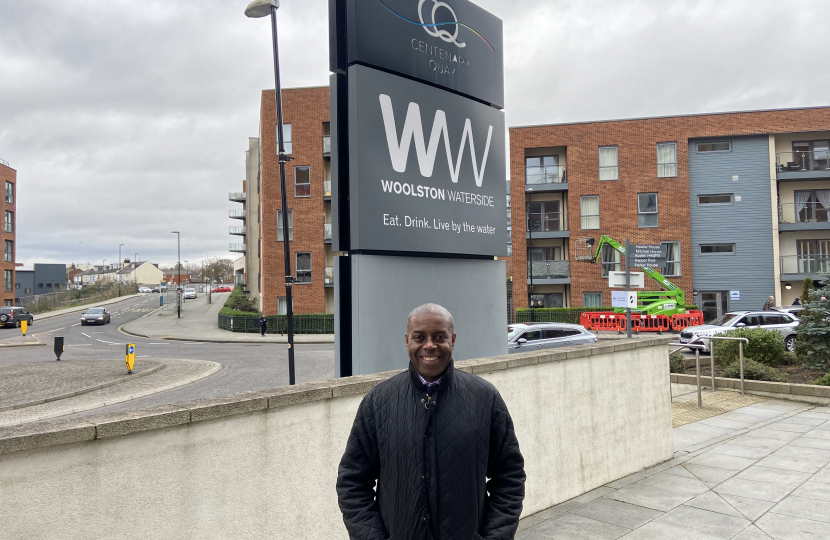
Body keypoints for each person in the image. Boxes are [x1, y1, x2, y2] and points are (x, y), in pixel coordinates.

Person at [336, 303, 526, 540]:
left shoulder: (485, 398)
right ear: (407, 341)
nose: (429, 345)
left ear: (453, 340)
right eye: (419, 337)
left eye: (439, 337)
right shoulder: (378, 401)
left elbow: (510, 477)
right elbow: (352, 481)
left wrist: (492, 537)